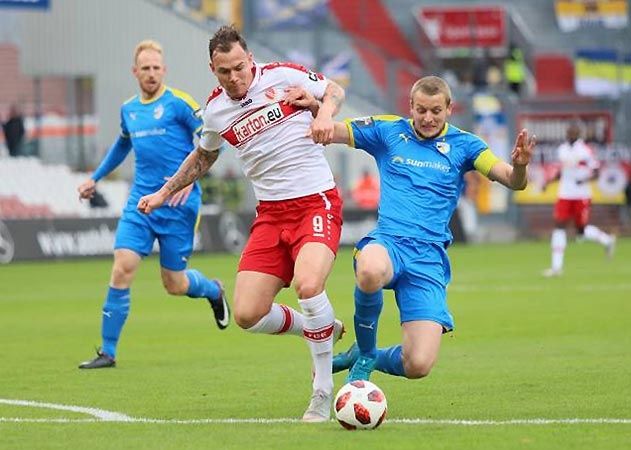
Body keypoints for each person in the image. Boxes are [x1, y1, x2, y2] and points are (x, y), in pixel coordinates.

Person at [137, 25, 346, 422]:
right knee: (248, 315)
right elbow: (204, 156)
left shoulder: (284, 75)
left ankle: (322, 390)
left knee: (309, 284)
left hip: (314, 202)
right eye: (224, 72)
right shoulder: (215, 110)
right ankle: (320, 328)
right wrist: (164, 193)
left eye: (239, 68)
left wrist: (325, 113)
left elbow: (333, 90)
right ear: (212, 69)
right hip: (269, 214)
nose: (234, 78)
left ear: (250, 59)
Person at [284, 75, 535, 383]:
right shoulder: (389, 130)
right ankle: (365, 352)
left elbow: (512, 180)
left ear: (449, 109)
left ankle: (364, 356)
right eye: (421, 110)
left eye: (435, 111)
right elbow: (332, 132)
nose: (428, 118)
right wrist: (316, 110)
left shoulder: (466, 145)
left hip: (428, 259)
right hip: (388, 243)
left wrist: (521, 165)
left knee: (418, 364)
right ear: (411, 107)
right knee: (370, 269)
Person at [76, 39, 230, 370]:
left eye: (156, 68)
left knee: (175, 284)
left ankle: (214, 290)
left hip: (179, 205)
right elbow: (121, 145)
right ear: (135, 72)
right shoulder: (129, 109)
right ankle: (108, 351)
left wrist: (189, 181)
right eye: (145, 68)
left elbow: (214, 142)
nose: (151, 73)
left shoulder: (179, 104)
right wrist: (96, 178)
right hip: (140, 203)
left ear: (164, 70)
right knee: (122, 267)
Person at [542, 123, 616, 277]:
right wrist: (548, 182)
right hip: (565, 194)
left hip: (581, 194)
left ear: (578, 133)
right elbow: (561, 172)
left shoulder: (585, 150)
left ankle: (606, 240)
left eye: (573, 132)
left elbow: (596, 172)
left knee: (580, 231)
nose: (570, 134)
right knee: (559, 225)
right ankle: (556, 267)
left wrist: (583, 180)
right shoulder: (562, 149)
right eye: (568, 132)